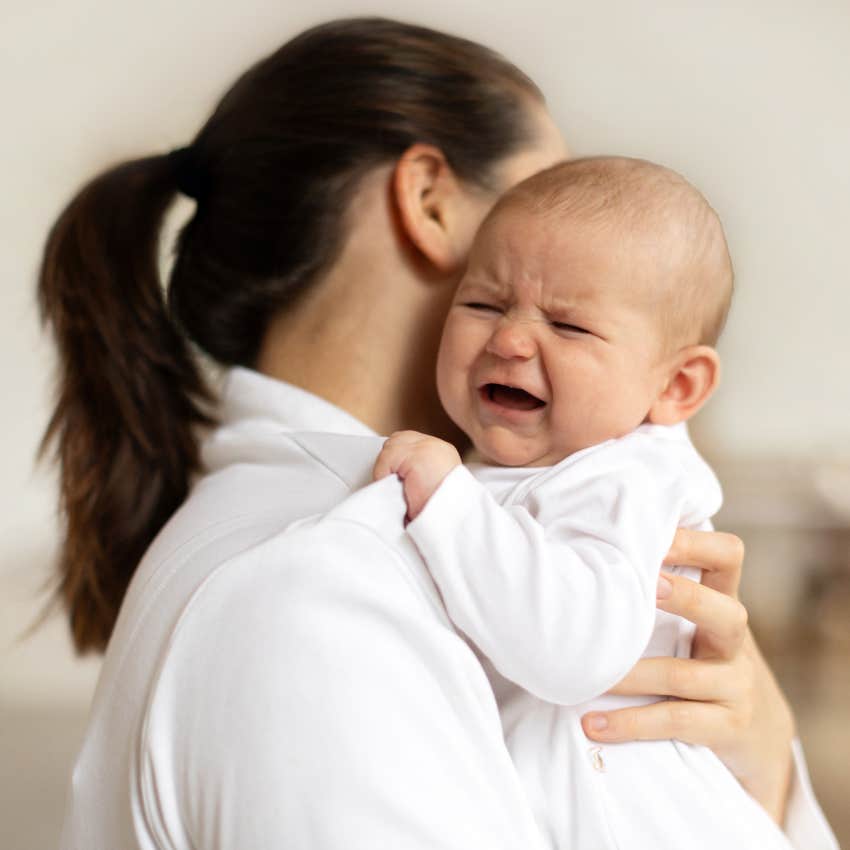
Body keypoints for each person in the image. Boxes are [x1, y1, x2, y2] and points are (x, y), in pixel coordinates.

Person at [36, 17, 835, 850]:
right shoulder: (322, 589)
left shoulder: (363, 536)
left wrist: (761, 753)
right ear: (429, 202)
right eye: (541, 192)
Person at [372, 155, 792, 848]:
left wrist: (447, 501)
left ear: (677, 387)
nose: (508, 339)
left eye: (569, 328)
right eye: (482, 304)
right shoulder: (540, 467)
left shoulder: (628, 480)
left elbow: (571, 652)